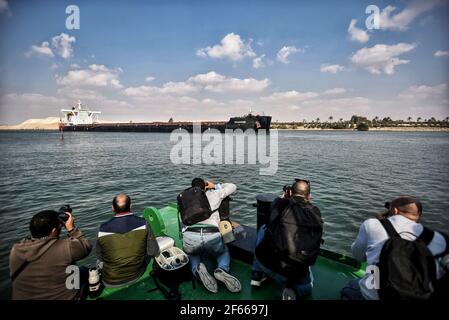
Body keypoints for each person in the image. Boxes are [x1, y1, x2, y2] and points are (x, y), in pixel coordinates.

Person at [341, 196, 448, 300]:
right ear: (418, 215)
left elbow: (359, 256)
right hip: (417, 295)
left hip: (376, 295)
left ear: (395, 210)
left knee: (351, 286)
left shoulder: (371, 224)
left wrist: (381, 223)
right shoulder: (440, 239)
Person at [251, 179, 323, 300]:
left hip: (266, 263)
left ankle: (257, 274)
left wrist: (285, 197)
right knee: (308, 285)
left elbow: (274, 214)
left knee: (264, 228)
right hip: (293, 275)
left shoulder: (280, 204)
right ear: (309, 196)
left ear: (290, 193)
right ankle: (293, 291)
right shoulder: (316, 213)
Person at [9, 209, 92, 300]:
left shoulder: (16, 250)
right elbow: (86, 246)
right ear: (53, 230)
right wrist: (71, 229)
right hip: (66, 297)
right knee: (84, 271)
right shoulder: (65, 247)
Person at [181, 178, 241, 293]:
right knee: (223, 252)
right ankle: (221, 269)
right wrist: (216, 185)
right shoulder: (214, 194)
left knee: (193, 254)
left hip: (190, 235)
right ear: (205, 186)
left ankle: (197, 270)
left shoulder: (185, 200)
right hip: (212, 235)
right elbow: (233, 186)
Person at [96, 193, 159, 287]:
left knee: (98, 262)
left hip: (110, 281)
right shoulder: (144, 223)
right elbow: (153, 250)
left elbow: (100, 257)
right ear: (130, 206)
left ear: (113, 208)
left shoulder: (102, 229)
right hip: (136, 274)